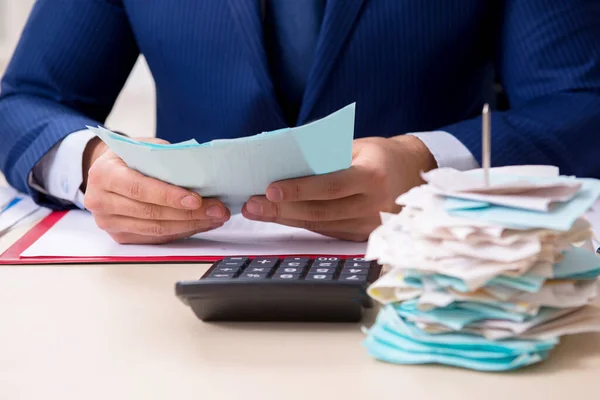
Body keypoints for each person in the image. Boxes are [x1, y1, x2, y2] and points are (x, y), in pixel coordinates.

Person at [1, 0, 599, 244]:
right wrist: (90, 166)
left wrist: (428, 164)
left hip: (436, 279)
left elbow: (581, 102)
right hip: (180, 281)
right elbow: (25, 99)